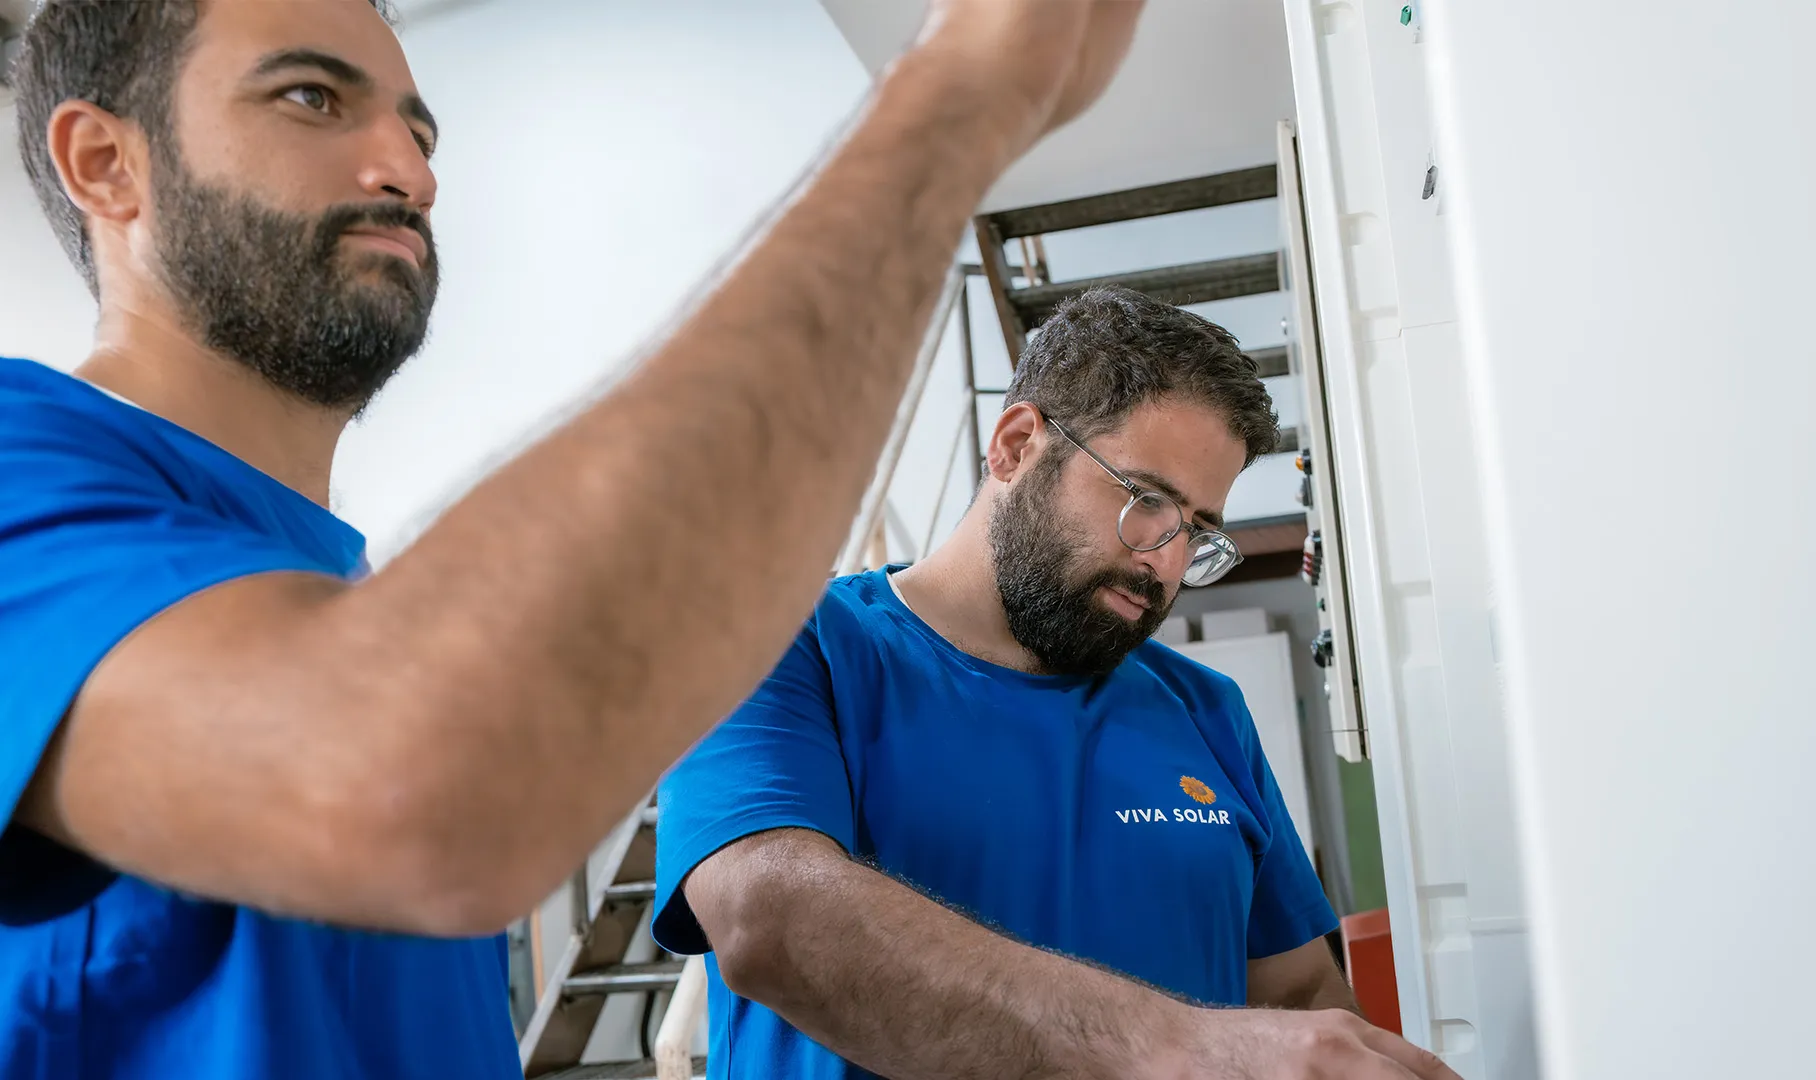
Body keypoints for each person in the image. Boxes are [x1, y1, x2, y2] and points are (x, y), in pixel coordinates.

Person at [0, 0, 1147, 1075]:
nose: (411, 172)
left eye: (419, 131)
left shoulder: (329, 592)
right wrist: (957, 98)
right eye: (311, 98)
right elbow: (412, 786)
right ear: (107, 162)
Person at [652, 286, 1464, 1080]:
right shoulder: (782, 645)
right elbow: (769, 918)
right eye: (1146, 500)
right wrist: (1176, 1047)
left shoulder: (1206, 710)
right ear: (1015, 446)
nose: (1165, 564)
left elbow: (1296, 988)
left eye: (1198, 533)